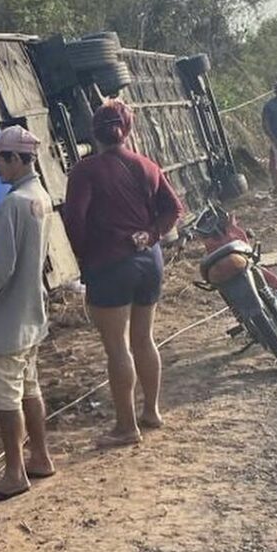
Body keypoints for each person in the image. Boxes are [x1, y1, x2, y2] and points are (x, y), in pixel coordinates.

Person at [63, 99, 184, 447]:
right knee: (144, 338)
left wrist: (86, 259)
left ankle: (125, 427)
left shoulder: (85, 171)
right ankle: (152, 411)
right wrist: (152, 234)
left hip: (109, 264)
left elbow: (75, 220)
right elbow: (173, 208)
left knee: (117, 347)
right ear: (127, 130)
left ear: (94, 133)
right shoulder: (147, 165)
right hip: (149, 262)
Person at [0, 125, 56, 501]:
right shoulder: (41, 197)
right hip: (32, 314)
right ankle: (40, 456)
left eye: (0, 160)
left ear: (18, 159)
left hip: (8, 319)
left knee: (6, 398)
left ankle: (14, 472)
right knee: (30, 388)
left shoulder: (13, 204)